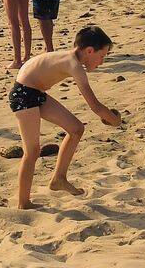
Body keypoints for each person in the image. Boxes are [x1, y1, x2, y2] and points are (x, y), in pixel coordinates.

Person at [10, 25, 121, 210]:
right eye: (102, 56)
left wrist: (109, 116)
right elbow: (94, 106)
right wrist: (115, 120)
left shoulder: (72, 60)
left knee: (76, 129)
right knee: (32, 151)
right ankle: (23, 203)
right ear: (89, 50)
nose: (101, 62)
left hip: (36, 92)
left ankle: (59, 179)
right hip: (23, 94)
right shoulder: (74, 65)